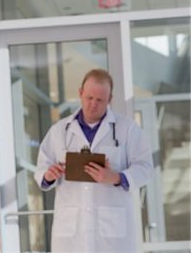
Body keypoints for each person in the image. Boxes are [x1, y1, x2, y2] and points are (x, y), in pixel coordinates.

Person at [34, 69, 153, 253]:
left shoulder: (127, 129)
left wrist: (116, 177)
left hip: (112, 236)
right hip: (71, 233)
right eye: (89, 98)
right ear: (81, 93)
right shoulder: (59, 131)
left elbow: (145, 167)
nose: (93, 105)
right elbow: (41, 168)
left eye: (100, 100)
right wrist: (49, 175)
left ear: (110, 99)